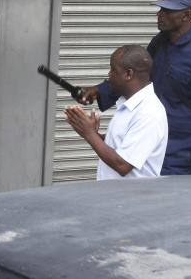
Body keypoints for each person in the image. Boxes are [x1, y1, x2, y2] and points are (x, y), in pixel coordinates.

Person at [79, 0, 191, 175]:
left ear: (187, 15)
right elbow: (136, 77)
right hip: (147, 144)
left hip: (179, 154)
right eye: (160, 9)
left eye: (168, 10)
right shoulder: (159, 43)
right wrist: (98, 91)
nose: (160, 14)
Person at [65, 45, 167, 179]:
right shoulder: (128, 105)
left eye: (113, 69)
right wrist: (94, 134)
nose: (109, 74)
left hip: (131, 198)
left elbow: (123, 165)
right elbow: (120, 147)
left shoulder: (149, 113)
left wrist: (89, 134)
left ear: (128, 74)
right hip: (114, 195)